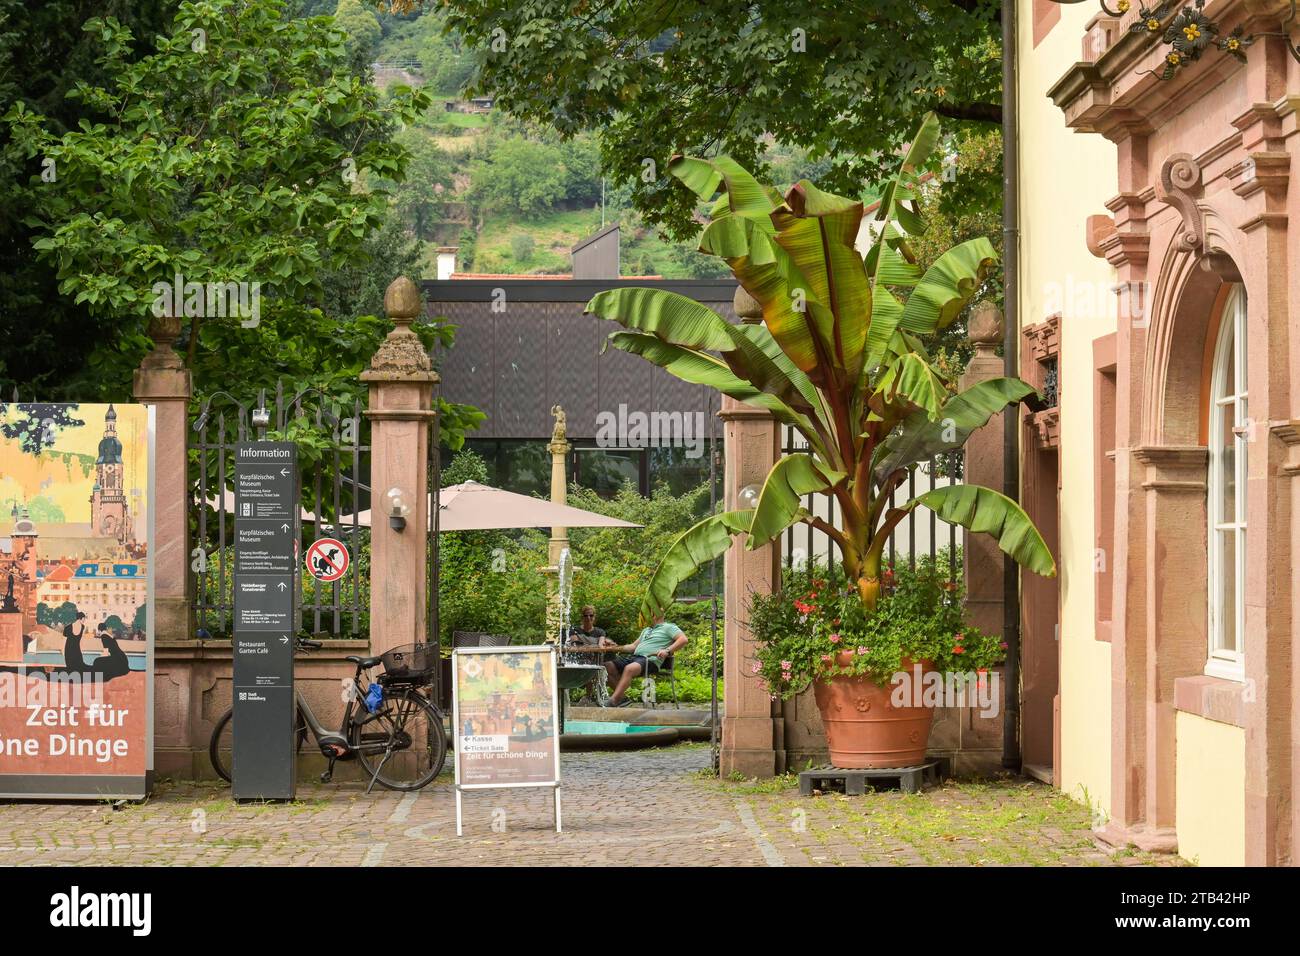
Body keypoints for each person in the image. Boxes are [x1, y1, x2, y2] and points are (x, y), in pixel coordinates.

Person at [600, 613, 686, 708]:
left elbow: (683, 639)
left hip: (650, 660)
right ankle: (622, 699)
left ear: (657, 614)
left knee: (630, 669)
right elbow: (633, 647)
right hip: (635, 658)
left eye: (651, 612)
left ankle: (614, 700)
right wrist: (615, 647)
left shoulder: (669, 627)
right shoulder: (647, 630)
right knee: (606, 666)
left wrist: (667, 650)